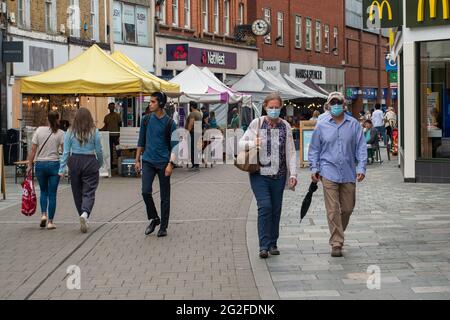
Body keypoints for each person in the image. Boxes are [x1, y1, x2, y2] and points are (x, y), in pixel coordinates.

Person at [308, 92, 367, 258]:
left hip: (348, 171)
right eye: (332, 103)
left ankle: (337, 232)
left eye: (338, 102)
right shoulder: (321, 124)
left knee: (347, 208)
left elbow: (361, 147)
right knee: (333, 209)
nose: (335, 105)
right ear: (328, 105)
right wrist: (314, 168)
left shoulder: (354, 124)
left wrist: (361, 167)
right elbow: (314, 149)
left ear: (344, 105)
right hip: (328, 171)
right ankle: (336, 242)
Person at [240, 93, 298, 259]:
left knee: (276, 209)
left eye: (277, 107)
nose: (274, 110)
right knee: (265, 206)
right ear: (265, 107)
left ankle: (273, 243)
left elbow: (291, 152)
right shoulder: (257, 123)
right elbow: (241, 143)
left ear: (281, 108)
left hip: (278, 175)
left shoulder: (285, 126)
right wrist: (253, 142)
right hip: (259, 174)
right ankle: (263, 245)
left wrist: (293, 173)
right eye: (271, 107)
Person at [135, 92, 177, 238]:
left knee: (165, 196)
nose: (150, 104)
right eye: (150, 102)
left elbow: (175, 146)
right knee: (145, 191)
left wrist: (171, 164)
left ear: (160, 104)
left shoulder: (170, 123)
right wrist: (137, 159)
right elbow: (141, 141)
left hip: (163, 163)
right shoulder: (146, 120)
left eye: (153, 102)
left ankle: (163, 227)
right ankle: (154, 218)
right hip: (147, 161)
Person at [59, 108, 103, 233]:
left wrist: (62, 169)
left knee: (77, 191)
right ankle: (85, 213)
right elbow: (99, 151)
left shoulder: (70, 131)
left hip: (75, 161)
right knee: (89, 191)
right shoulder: (95, 131)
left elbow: (66, 152)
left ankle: (82, 214)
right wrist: (99, 164)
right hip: (90, 160)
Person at [26, 111, 65, 230]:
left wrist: (29, 165)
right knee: (52, 194)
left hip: (40, 165)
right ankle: (50, 222)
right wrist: (64, 168)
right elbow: (64, 152)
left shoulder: (39, 130)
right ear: (58, 119)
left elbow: (33, 150)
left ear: (47, 119)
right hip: (54, 164)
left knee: (43, 191)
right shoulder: (61, 133)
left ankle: (43, 215)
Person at [101, 102, 122, 169]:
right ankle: (110, 164)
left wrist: (120, 134)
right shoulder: (106, 117)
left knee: (118, 149)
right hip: (109, 136)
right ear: (109, 107)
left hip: (116, 135)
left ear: (114, 107)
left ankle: (119, 163)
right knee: (109, 150)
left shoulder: (117, 115)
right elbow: (105, 126)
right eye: (110, 107)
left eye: (113, 107)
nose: (112, 108)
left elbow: (120, 125)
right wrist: (100, 130)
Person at [185, 102, 203, 171]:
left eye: (189, 106)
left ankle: (195, 165)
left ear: (191, 106)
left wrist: (187, 132)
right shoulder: (199, 113)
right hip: (198, 133)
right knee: (196, 149)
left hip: (193, 133)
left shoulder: (193, 113)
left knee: (193, 149)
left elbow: (191, 123)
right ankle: (196, 165)